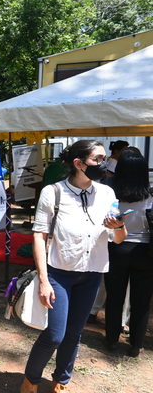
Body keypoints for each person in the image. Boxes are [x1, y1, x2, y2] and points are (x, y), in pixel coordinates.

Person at [20, 140, 127, 393]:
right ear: (79, 163)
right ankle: (31, 379)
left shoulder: (107, 194)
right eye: (98, 159)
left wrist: (118, 227)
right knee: (55, 334)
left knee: (74, 333)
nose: (105, 163)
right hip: (59, 273)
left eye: (104, 158)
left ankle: (61, 381)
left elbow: (119, 239)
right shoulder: (53, 192)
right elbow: (39, 236)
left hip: (91, 274)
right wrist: (44, 281)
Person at [104, 148, 153, 357]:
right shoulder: (150, 196)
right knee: (142, 301)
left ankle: (112, 339)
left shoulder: (110, 194)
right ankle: (136, 343)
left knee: (114, 296)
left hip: (117, 248)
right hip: (146, 252)